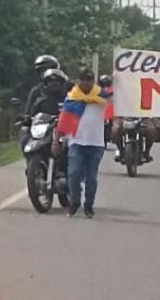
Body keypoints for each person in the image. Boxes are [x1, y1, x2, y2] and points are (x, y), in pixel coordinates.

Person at [54, 69, 109, 218]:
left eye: (89, 80)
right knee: (73, 173)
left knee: (91, 177)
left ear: (93, 81)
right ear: (78, 81)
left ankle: (89, 205)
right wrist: (56, 141)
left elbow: (119, 104)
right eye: (83, 80)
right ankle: (75, 203)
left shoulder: (103, 97)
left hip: (96, 143)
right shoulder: (72, 98)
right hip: (76, 141)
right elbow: (63, 121)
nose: (86, 83)